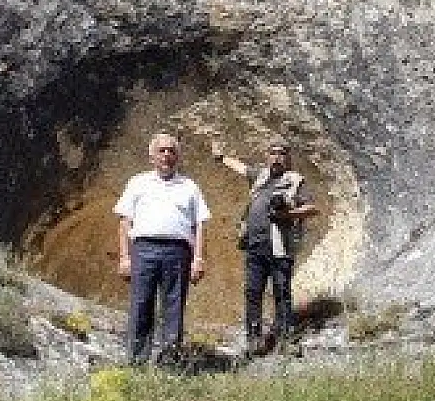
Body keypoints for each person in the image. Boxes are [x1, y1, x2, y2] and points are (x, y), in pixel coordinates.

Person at [212, 138, 317, 353]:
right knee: (253, 292)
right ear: (267, 156)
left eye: (282, 153)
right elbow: (241, 168)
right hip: (255, 246)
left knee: (281, 292)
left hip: (280, 247)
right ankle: (254, 341)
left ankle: (286, 340)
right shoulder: (260, 176)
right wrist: (222, 157)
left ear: (288, 158)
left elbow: (312, 208)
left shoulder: (295, 180)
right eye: (273, 153)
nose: (277, 157)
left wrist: (287, 214)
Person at [114, 132, 211, 366]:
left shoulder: (190, 186)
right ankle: (136, 361)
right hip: (144, 249)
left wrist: (198, 259)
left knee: (174, 307)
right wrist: (125, 257)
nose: (167, 155)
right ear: (152, 156)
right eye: (162, 151)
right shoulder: (138, 182)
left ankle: (169, 362)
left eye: (172, 151)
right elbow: (125, 221)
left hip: (178, 252)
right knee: (140, 304)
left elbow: (199, 224)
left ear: (178, 156)